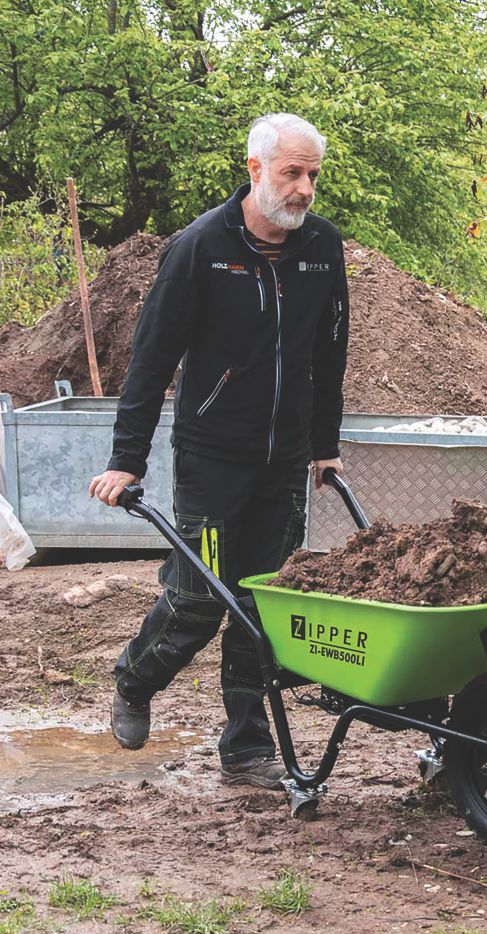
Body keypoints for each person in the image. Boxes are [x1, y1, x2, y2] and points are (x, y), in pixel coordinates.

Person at [89, 113, 348, 789]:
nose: (305, 189)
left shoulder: (322, 247)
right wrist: (127, 459)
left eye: (313, 175)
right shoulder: (201, 247)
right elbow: (152, 359)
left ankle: (247, 750)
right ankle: (135, 678)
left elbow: (331, 353)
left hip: (285, 460)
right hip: (211, 458)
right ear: (256, 169)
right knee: (202, 596)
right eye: (292, 173)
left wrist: (325, 446)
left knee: (261, 604)